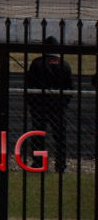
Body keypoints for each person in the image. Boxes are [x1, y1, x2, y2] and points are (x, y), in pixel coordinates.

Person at [25, 38, 73, 172]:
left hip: (40, 105)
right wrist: (64, 103)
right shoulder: (64, 64)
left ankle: (38, 163)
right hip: (58, 106)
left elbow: (29, 85)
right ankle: (60, 165)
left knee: (38, 135)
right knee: (60, 137)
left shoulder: (37, 63)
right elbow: (70, 88)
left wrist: (32, 103)